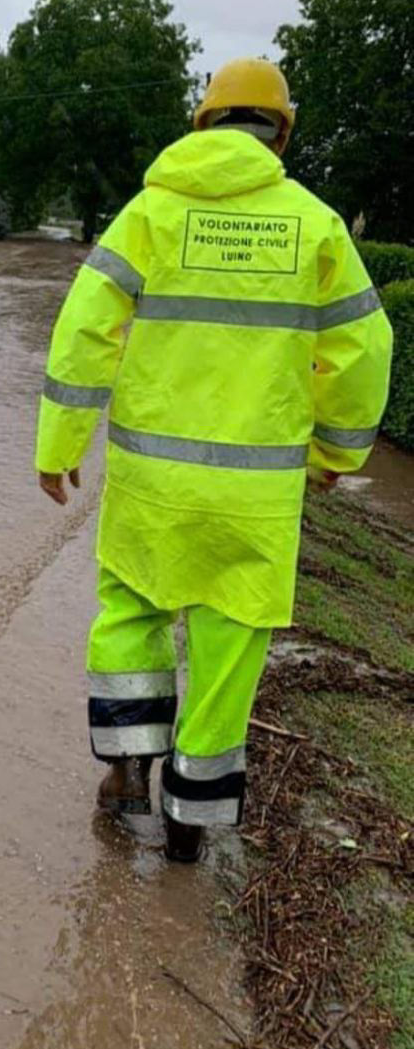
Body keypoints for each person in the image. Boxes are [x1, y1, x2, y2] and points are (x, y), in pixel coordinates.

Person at [35, 58, 393, 861]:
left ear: (201, 123)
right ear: (281, 132)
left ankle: (128, 773)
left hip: (149, 482)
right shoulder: (316, 225)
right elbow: (365, 348)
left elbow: (82, 332)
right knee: (229, 648)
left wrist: (56, 447)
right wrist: (337, 448)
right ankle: (191, 825)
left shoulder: (147, 216)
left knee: (130, 614)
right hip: (257, 494)